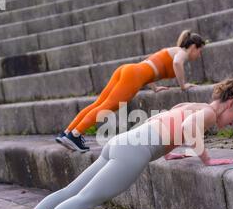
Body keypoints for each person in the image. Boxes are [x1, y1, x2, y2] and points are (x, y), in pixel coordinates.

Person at [0, 78, 233, 209]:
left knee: (70, 192)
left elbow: (163, 122)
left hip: (122, 142)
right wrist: (207, 159)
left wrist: (168, 152)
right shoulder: (209, 114)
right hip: (133, 153)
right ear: (231, 103)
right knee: (83, 200)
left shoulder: (191, 104)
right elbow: (189, 128)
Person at [56, 29, 206, 152]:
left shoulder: (172, 50)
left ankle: (68, 132)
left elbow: (151, 63)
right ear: (193, 47)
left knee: (99, 103)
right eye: (200, 51)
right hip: (133, 75)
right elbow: (177, 63)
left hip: (128, 69)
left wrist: (154, 86)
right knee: (107, 107)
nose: (199, 55)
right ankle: (75, 134)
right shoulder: (181, 52)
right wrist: (183, 85)